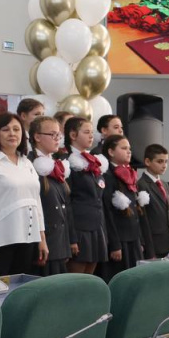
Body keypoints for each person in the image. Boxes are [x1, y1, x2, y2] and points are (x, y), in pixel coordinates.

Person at [0, 114, 48, 276]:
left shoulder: (27, 163)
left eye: (16, 129)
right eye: (5, 130)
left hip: (28, 238)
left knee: (20, 288)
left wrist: (42, 238)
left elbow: (36, 203)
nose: (12, 134)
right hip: (0, 238)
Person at [29, 116, 74, 275]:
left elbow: (65, 206)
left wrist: (68, 242)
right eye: (52, 135)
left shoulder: (56, 164)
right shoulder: (30, 162)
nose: (57, 139)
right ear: (37, 136)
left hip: (59, 240)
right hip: (44, 238)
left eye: (59, 135)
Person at [65, 117, 109, 275]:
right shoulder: (67, 161)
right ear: (73, 135)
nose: (91, 136)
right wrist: (72, 236)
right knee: (76, 279)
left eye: (92, 132)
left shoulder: (94, 161)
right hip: (79, 227)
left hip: (96, 225)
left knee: (89, 278)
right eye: (86, 132)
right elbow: (67, 201)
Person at [100, 135, 145, 280]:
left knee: (136, 278)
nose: (129, 152)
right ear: (111, 152)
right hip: (120, 239)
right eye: (124, 148)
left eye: (129, 149)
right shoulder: (107, 176)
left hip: (133, 237)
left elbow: (136, 211)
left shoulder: (130, 173)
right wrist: (115, 244)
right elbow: (108, 213)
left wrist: (140, 240)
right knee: (121, 279)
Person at [138, 144, 169, 258]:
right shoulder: (141, 185)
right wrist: (149, 250)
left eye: (166, 161)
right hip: (154, 245)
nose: (164, 165)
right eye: (160, 161)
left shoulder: (164, 184)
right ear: (147, 161)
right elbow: (144, 221)